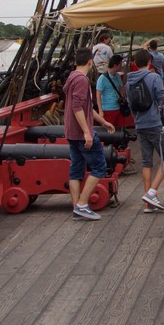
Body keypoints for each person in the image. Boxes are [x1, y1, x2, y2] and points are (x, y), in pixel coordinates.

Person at [64, 47, 116, 221]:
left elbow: (85, 107)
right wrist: (87, 131)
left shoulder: (72, 77)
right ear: (89, 62)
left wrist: (103, 122)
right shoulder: (82, 80)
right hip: (81, 133)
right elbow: (77, 107)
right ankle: (82, 204)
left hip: (71, 131)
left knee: (76, 169)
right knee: (99, 166)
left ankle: (76, 208)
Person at [128, 49, 164, 214]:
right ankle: (152, 193)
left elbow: (131, 104)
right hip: (154, 123)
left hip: (139, 124)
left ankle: (149, 202)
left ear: (135, 63)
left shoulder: (129, 81)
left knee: (147, 162)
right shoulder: (154, 77)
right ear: (150, 61)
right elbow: (161, 99)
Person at [95, 54, 129, 128]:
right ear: (115, 65)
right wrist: (100, 111)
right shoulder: (102, 78)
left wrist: (123, 92)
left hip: (119, 107)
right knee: (109, 129)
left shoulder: (117, 76)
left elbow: (121, 88)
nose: (121, 66)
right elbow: (98, 95)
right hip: (108, 108)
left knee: (121, 129)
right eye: (120, 64)